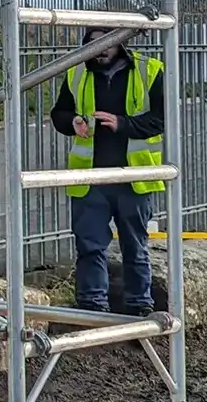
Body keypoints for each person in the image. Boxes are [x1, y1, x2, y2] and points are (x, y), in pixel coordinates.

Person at [49, 32, 165, 314]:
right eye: (92, 45)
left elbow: (161, 118)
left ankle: (140, 307)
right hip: (91, 180)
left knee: (135, 248)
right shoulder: (78, 72)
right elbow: (59, 114)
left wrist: (122, 124)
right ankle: (92, 307)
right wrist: (72, 121)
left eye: (105, 44)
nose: (99, 51)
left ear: (120, 43)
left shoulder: (149, 70)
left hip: (132, 178)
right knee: (89, 247)